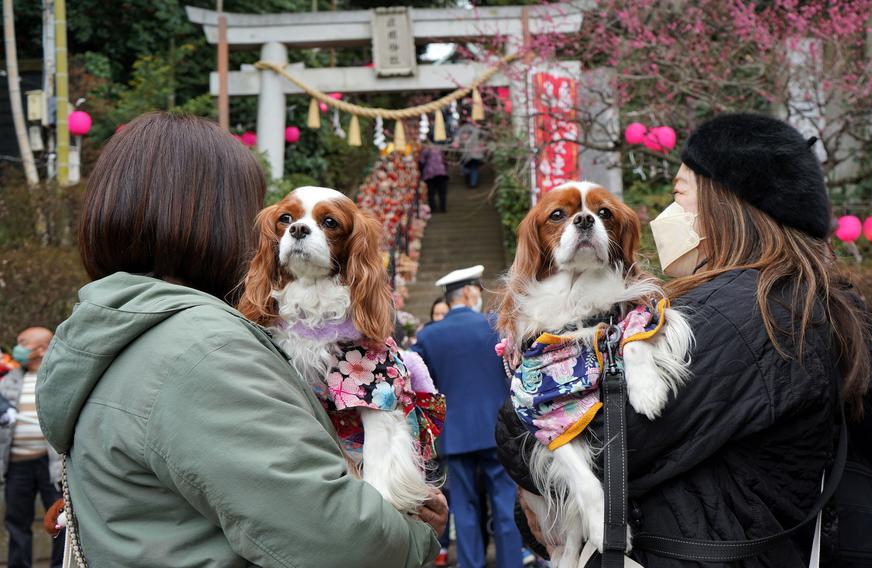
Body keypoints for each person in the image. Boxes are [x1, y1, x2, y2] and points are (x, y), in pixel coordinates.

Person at [496, 113, 872, 566]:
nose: (667, 215)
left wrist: (516, 427)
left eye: (679, 195)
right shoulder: (825, 300)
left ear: (725, 206)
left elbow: (595, 437)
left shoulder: (737, 315)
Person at [35, 112, 446, 567]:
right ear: (217, 219)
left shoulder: (108, 333)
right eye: (270, 216)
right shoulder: (207, 350)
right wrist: (417, 535)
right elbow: (340, 540)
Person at [413, 266, 524, 568]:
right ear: (468, 292)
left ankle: (471, 564)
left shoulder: (429, 336)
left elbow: (423, 385)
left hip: (456, 435)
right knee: (505, 506)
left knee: (464, 509)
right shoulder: (494, 325)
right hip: (497, 431)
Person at [1, 327, 63, 568]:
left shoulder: (57, 378)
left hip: (52, 466)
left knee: (59, 522)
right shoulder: (9, 380)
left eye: (22, 343)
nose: (16, 348)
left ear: (41, 349)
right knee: (16, 521)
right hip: (17, 465)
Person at [453, 120, 486, 189]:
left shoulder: (465, 131)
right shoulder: (473, 130)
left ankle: (472, 183)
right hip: (470, 155)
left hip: (472, 155)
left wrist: (481, 144)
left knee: (472, 168)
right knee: (472, 168)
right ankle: (472, 183)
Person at [419, 143, 450, 213]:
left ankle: (432, 207)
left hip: (430, 173)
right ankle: (443, 207)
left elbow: (421, 161)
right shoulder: (439, 149)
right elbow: (444, 161)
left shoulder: (426, 150)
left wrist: (421, 172)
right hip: (441, 173)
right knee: (442, 192)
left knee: (431, 192)